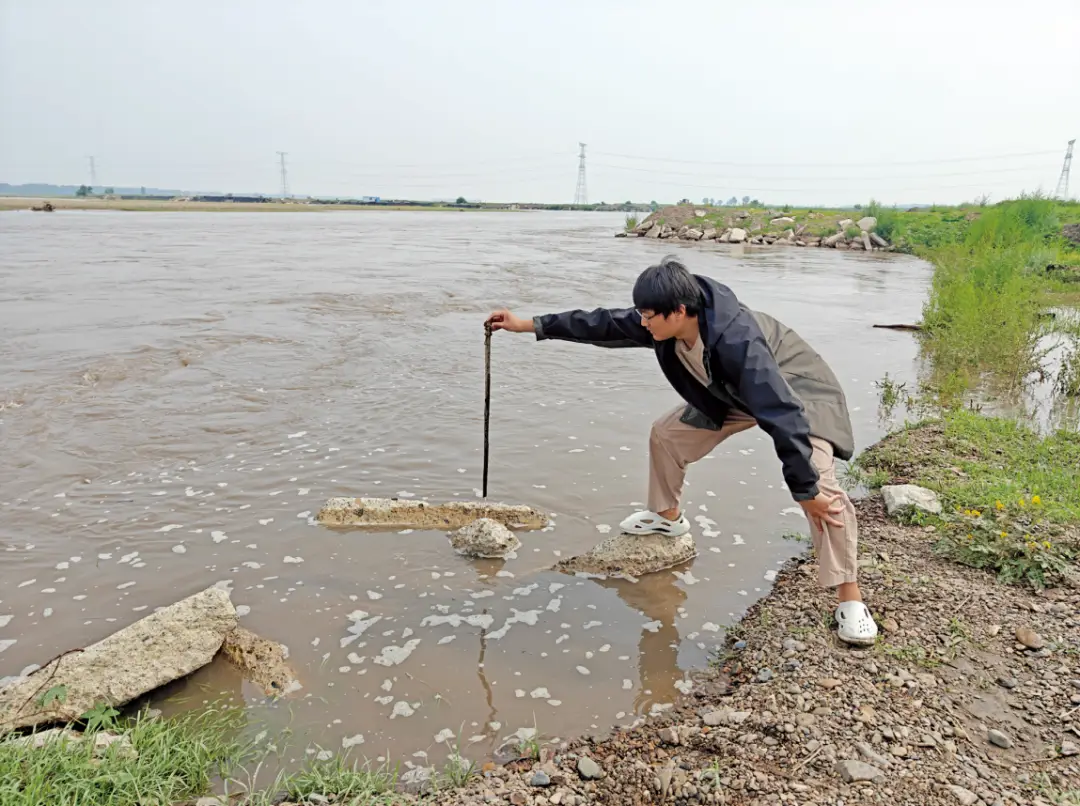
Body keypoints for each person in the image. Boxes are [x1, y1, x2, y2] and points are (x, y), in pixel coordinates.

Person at [485, 254, 878, 647]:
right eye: (641, 314)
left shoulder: (738, 340)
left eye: (648, 316)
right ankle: (666, 518)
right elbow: (600, 323)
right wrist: (528, 324)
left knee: (820, 492)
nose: (642, 323)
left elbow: (781, 411)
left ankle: (851, 599)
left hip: (798, 392)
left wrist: (804, 490)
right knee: (666, 434)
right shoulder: (665, 320)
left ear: (678, 311)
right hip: (732, 393)